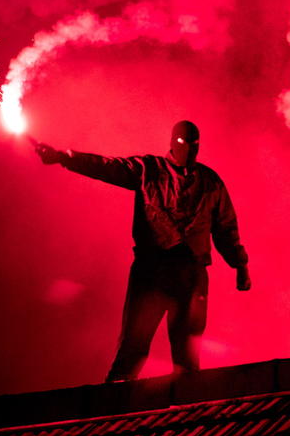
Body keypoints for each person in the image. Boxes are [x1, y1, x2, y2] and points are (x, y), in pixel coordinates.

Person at [31, 121, 251, 381]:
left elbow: (226, 227)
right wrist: (64, 158)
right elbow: (107, 167)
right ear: (172, 142)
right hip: (152, 272)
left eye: (194, 145)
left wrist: (240, 265)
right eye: (183, 144)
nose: (189, 151)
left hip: (191, 276)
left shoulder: (210, 182)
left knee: (187, 357)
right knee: (134, 349)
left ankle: (183, 413)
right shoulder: (149, 170)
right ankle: (110, 412)